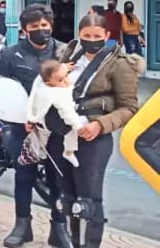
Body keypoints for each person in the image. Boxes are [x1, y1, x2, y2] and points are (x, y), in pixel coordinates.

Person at [47, 14, 141, 247]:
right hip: (62, 135)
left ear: (107, 36)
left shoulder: (120, 64)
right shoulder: (66, 57)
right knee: (67, 198)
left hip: (93, 139)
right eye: (86, 36)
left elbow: (129, 107)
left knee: (88, 201)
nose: (91, 40)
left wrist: (100, 125)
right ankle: (74, 242)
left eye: (97, 36)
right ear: (79, 35)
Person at [0, 3, 66, 248]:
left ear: (51, 26)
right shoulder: (10, 55)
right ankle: (22, 226)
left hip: (56, 131)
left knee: (58, 180)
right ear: (25, 29)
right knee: (24, 178)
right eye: (34, 27)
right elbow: (0, 91)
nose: (40, 30)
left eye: (44, 26)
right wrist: (16, 118)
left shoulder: (64, 52)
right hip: (22, 128)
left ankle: (59, 228)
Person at [27, 60, 89, 167]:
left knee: (40, 140)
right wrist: (78, 127)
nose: (66, 81)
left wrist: (64, 67)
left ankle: (38, 153)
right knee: (71, 132)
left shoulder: (40, 83)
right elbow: (68, 113)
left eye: (66, 76)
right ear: (49, 83)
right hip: (51, 122)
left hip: (40, 120)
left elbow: (44, 76)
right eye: (60, 80)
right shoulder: (58, 94)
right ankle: (69, 152)